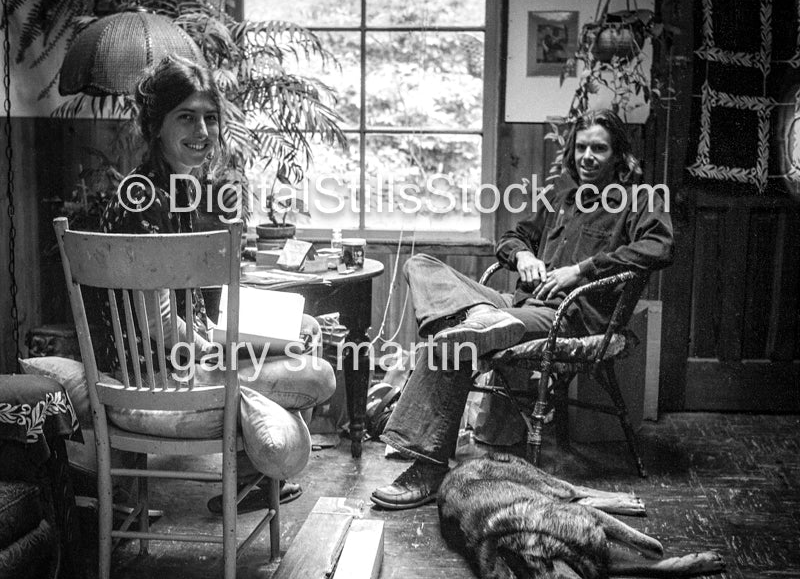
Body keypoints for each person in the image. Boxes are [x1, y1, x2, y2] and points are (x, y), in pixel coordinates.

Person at [371, 108, 674, 510]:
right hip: (517, 307)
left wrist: (579, 271)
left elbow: (659, 247)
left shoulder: (639, 200)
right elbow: (512, 236)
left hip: (565, 318)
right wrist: (524, 256)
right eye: (581, 147)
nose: (586, 156)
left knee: (452, 338)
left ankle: (427, 467)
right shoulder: (560, 197)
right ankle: (479, 321)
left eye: (598, 149)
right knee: (420, 265)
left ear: (618, 154)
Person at [99, 54, 335, 512]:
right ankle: (258, 475)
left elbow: (198, 305)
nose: (202, 132)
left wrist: (238, 332)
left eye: (210, 118)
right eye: (185, 117)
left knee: (304, 328)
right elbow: (157, 328)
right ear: (156, 125)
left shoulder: (185, 192)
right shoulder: (143, 201)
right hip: (157, 378)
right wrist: (220, 346)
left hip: (178, 359)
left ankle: (252, 477)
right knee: (320, 374)